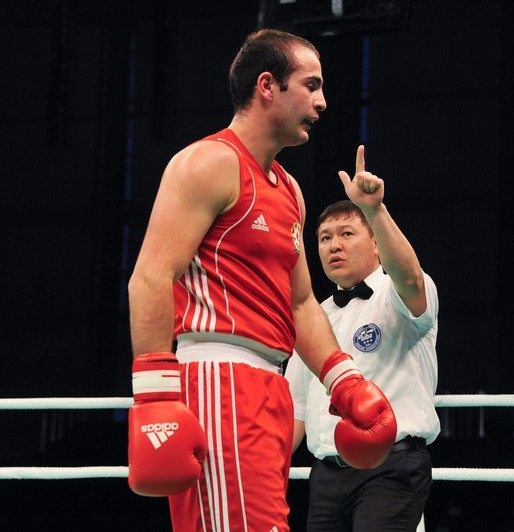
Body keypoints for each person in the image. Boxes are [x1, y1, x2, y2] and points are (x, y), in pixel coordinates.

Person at [126, 29, 398, 532]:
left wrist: (343, 380)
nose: (322, 101)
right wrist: (155, 394)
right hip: (220, 379)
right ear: (267, 85)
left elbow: (301, 303)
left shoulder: (289, 190)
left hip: (271, 388)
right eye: (311, 85)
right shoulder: (209, 163)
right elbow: (150, 277)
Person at [285, 145, 440, 532]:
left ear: (375, 244)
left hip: (390, 469)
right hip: (325, 475)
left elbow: (410, 279)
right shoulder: (312, 316)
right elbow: (295, 411)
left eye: (346, 233)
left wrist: (375, 210)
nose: (333, 245)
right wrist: (259, 471)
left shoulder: (397, 296)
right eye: (324, 238)